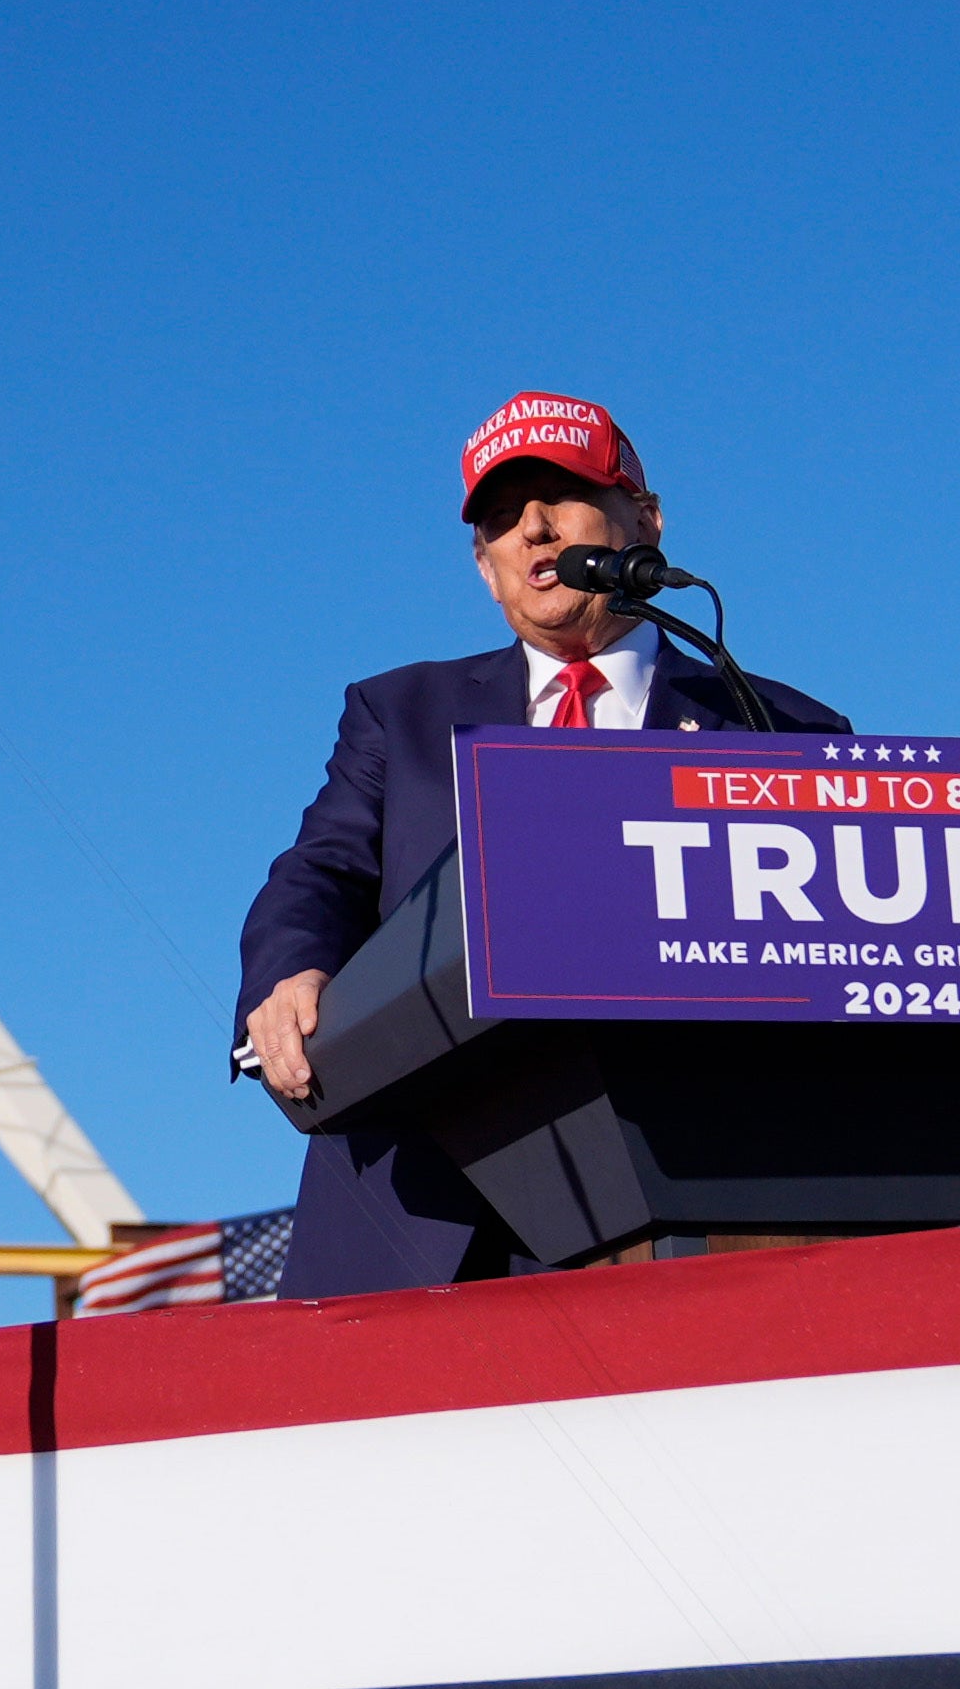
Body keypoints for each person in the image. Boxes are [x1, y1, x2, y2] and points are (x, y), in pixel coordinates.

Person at [236, 389, 849, 1295]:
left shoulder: (783, 731)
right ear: (485, 567)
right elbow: (320, 871)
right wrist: (288, 972)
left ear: (642, 519)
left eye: (559, 496)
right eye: (500, 518)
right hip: (424, 1221)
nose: (531, 530)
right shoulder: (400, 715)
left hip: (699, 1214)